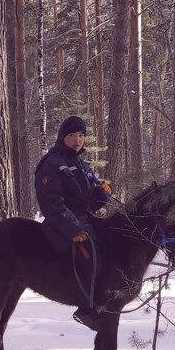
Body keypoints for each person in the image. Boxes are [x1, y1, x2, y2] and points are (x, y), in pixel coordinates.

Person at [34, 116, 112, 331]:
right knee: (89, 250)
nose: (77, 140)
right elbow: (51, 204)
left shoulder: (82, 165)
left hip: (84, 218)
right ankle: (86, 309)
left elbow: (89, 203)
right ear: (62, 137)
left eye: (81, 135)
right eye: (72, 135)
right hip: (60, 223)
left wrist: (103, 195)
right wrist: (72, 229)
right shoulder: (52, 164)